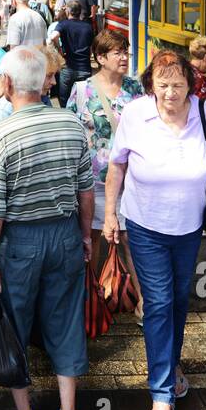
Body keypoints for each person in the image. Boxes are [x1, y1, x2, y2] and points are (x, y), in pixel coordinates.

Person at [0, 47, 94, 410]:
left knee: (14, 326)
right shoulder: (72, 123)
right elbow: (85, 188)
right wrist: (85, 236)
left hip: (19, 243)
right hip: (64, 236)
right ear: (46, 80)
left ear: (6, 85)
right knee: (66, 321)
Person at [104, 50, 206, 410]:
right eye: (162, 85)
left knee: (178, 300)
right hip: (145, 224)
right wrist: (110, 214)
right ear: (150, 86)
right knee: (157, 302)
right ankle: (161, 393)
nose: (170, 93)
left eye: (177, 84)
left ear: (191, 83)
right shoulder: (137, 114)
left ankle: (170, 366)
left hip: (189, 227)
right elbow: (117, 165)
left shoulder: (205, 112)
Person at [66, 29, 145, 316]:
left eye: (126, 51)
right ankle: (91, 299)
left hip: (128, 177)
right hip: (93, 178)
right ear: (100, 58)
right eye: (118, 52)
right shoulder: (82, 90)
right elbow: (72, 129)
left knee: (129, 237)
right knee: (92, 236)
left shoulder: (137, 89)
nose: (125, 57)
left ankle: (141, 301)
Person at [0, 44, 63, 127]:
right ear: (32, 74)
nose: (54, 82)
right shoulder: (4, 111)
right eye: (49, 75)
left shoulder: (43, 98)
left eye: (54, 75)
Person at [55, 1, 95, 107]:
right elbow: (91, 48)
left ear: (68, 11)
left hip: (68, 68)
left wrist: (59, 51)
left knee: (65, 100)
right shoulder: (88, 27)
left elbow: (53, 37)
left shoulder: (63, 24)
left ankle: (67, 119)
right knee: (83, 101)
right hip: (84, 68)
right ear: (80, 12)